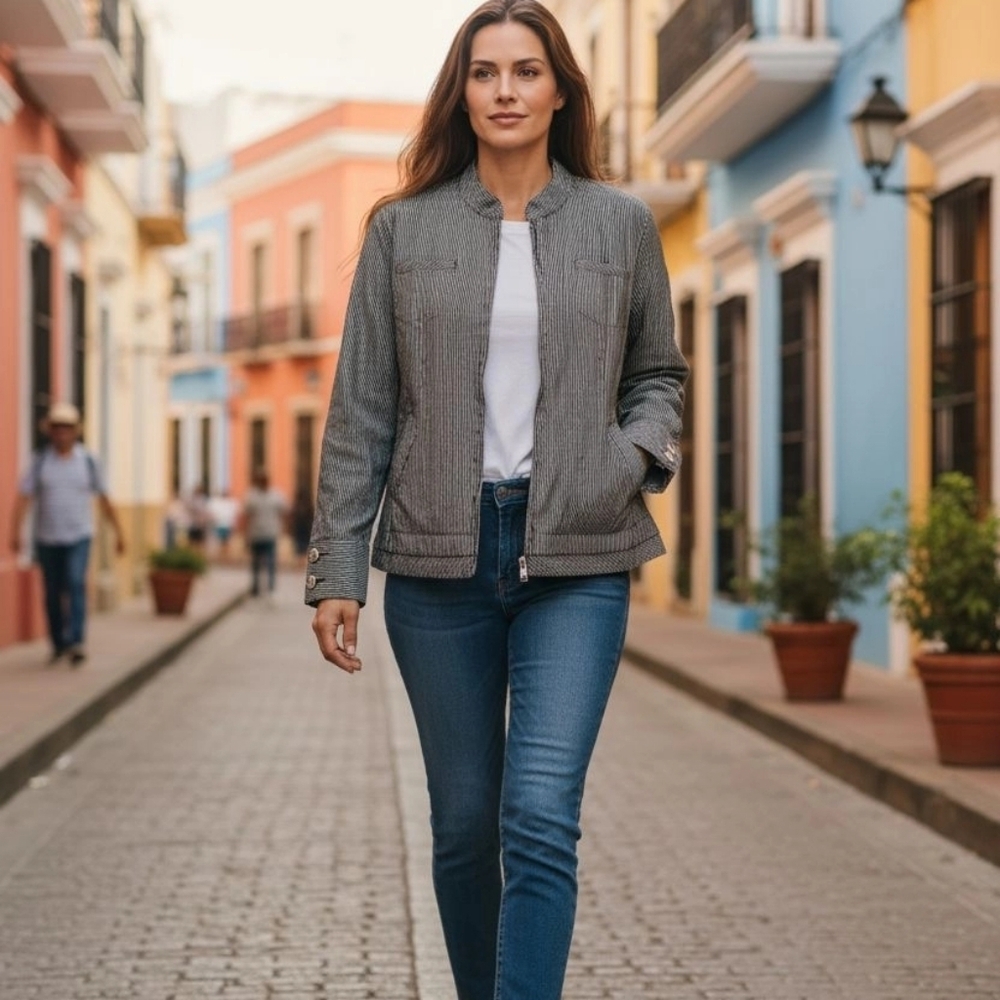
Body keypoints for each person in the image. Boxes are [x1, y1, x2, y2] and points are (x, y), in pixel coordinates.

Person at [307, 2, 688, 997]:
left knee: (540, 814)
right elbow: (361, 412)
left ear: (560, 88)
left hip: (581, 556)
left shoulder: (620, 223)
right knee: (467, 824)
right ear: (461, 92)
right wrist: (336, 567)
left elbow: (659, 376)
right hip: (440, 564)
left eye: (526, 71)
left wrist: (627, 456)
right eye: (485, 73)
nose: (506, 91)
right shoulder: (403, 231)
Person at [8, 402, 126, 666]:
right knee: (52, 591)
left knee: (74, 583)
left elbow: (104, 498)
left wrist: (118, 532)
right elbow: (24, 498)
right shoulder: (40, 462)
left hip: (79, 535)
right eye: (58, 428)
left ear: (75, 431)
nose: (62, 433)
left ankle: (76, 641)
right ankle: (58, 642)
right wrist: (15, 532)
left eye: (67, 428)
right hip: (48, 537)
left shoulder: (88, 462)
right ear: (51, 431)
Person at [241, 470, 287, 600]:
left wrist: (284, 529)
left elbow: (284, 512)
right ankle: (256, 588)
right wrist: (245, 534)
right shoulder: (251, 496)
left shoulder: (276, 495)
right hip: (255, 534)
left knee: (271, 562)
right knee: (255, 563)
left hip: (270, 534)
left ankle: (271, 588)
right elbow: (246, 516)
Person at [208, 489, 240, 559]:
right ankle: (221, 556)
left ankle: (225, 556)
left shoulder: (231, 502)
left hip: (227, 524)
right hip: (219, 524)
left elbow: (235, 514)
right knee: (220, 542)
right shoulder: (218, 503)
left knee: (226, 542)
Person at [290, 488, 314, 566]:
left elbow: (293, 518)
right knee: (304, 547)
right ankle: (303, 563)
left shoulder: (297, 506)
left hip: (299, 529)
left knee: (299, 548)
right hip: (305, 529)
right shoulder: (309, 506)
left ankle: (300, 563)